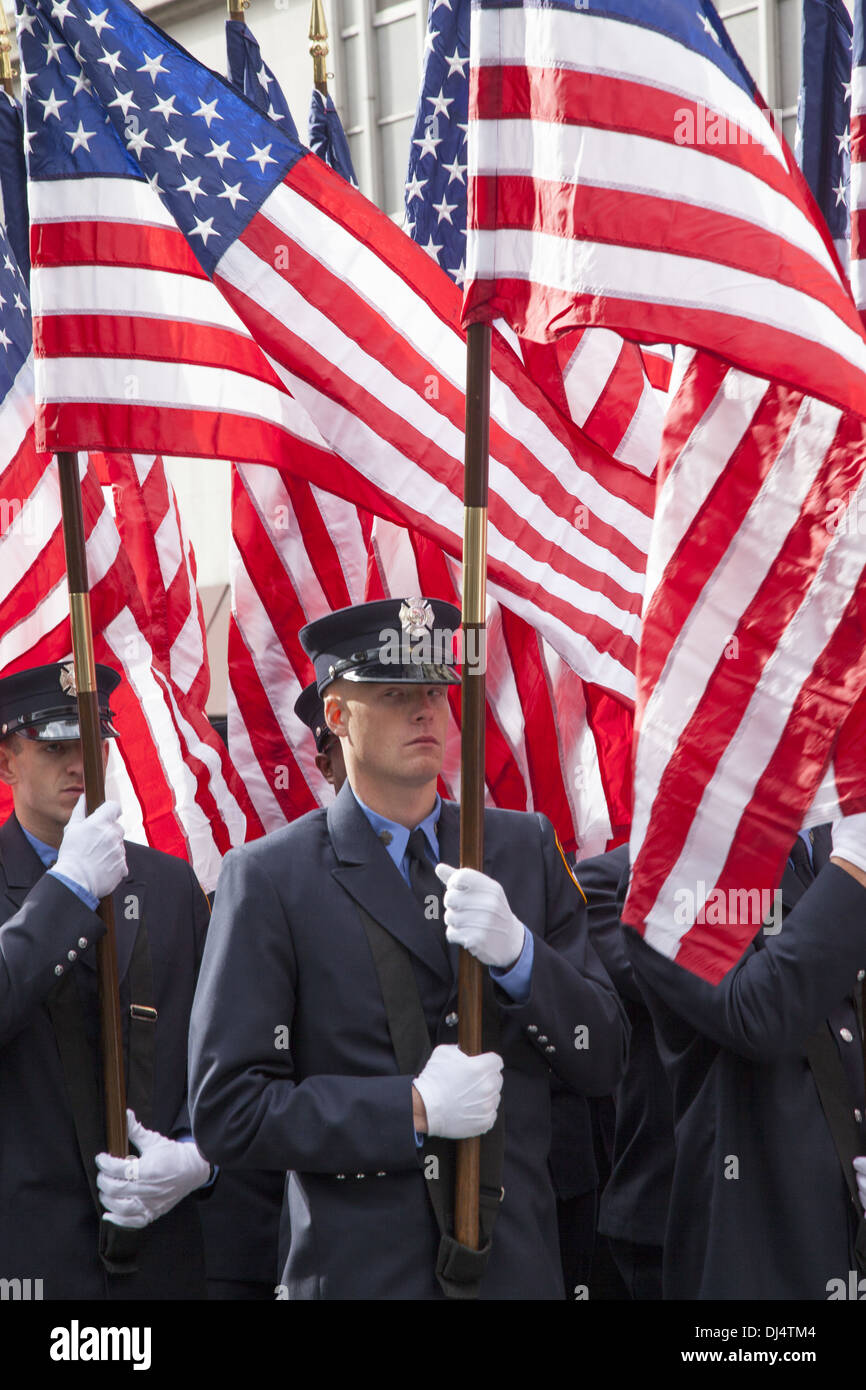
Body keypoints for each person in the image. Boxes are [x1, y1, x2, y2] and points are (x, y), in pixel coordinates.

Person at [189, 597, 628, 1300]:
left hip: (514, 1271)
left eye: (433, 691)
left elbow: (603, 1054)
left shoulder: (521, 848)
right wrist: (412, 1108)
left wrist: (521, 958)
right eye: (396, 695)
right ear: (338, 716)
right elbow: (229, 1113)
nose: (426, 711)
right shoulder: (272, 877)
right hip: (366, 1277)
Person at [0, 661, 212, 1299]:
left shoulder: (170, 886)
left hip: (164, 1254)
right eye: (55, 747)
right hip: (29, 1261)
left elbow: (219, 1050)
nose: (79, 765)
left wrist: (201, 1156)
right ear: (7, 762)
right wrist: (67, 892)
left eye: (93, 743)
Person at [625, 818, 866, 1299]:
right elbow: (757, 1013)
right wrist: (854, 867)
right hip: (763, 1259)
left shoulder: (827, 843)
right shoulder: (672, 868)